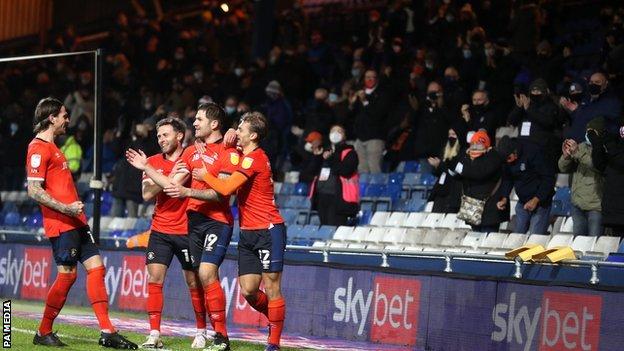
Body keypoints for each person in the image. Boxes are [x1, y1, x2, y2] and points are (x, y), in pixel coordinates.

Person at [26, 97, 137, 349]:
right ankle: (43, 331)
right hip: (61, 222)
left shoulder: (56, 147)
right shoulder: (38, 147)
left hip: (76, 221)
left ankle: (107, 332)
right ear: (51, 117)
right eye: (64, 115)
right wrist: (66, 208)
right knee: (67, 275)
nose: (68, 119)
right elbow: (34, 190)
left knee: (97, 269)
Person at [192, 112, 286, 351]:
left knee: (272, 286)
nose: (237, 131)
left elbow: (226, 188)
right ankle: (276, 319)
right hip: (247, 232)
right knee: (249, 291)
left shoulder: (254, 158)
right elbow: (230, 160)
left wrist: (205, 175)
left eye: (242, 129)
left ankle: (273, 342)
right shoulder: (245, 156)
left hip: (268, 229)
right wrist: (226, 145)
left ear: (253, 135)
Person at [125, 117, 209, 349]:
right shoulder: (152, 160)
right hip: (160, 229)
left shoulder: (189, 156)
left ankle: (201, 331)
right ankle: (154, 334)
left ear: (179, 135)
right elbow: (146, 194)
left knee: (193, 282)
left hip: (186, 229)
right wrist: (167, 177)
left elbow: (172, 190)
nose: (161, 139)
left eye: (166, 135)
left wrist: (152, 173)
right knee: (154, 280)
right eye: (159, 135)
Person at [163, 103, 240, 351]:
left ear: (214, 124)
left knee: (207, 273)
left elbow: (222, 194)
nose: (194, 123)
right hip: (194, 221)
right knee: (198, 278)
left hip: (217, 220)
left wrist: (185, 190)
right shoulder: (191, 152)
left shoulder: (229, 150)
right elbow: (172, 182)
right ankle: (205, 333)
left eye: (198, 119)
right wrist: (149, 171)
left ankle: (222, 337)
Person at [499, 136, 555, 235]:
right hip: (522, 201)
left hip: (541, 202)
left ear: (515, 152)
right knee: (517, 236)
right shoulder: (505, 158)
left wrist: (536, 199)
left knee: (535, 236)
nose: (508, 161)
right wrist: (504, 197)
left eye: (509, 158)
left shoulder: (533, 151)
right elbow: (507, 178)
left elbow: (548, 178)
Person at [558, 117, 605, 236]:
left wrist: (577, 153)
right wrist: (566, 157)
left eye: (591, 132)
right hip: (577, 204)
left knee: (593, 242)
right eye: (587, 131)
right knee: (578, 242)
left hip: (595, 206)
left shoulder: (604, 149)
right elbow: (563, 168)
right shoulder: (582, 146)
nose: (588, 135)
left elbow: (596, 165)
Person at [454, 131, 507, 233]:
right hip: (474, 209)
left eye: (479, 144)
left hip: (490, 210)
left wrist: (460, 167)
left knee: (488, 238)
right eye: (473, 144)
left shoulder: (493, 157)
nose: (475, 147)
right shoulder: (468, 157)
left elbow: (479, 173)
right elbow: (458, 176)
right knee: (474, 239)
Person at [310, 125, 360, 226]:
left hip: (338, 199)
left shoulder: (350, 153)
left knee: (334, 229)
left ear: (344, 136)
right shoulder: (326, 151)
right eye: (333, 131)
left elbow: (345, 170)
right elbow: (312, 171)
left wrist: (330, 159)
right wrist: (317, 157)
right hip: (322, 197)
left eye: (339, 131)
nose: (335, 134)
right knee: (324, 229)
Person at [351, 69, 390, 174]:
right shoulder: (359, 93)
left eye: (372, 77)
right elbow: (353, 115)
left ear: (377, 79)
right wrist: (352, 104)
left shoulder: (382, 94)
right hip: (360, 137)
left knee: (374, 167)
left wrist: (365, 101)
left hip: (375, 137)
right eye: (367, 77)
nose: (369, 79)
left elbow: (378, 115)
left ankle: (376, 190)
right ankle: (364, 190)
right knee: (361, 169)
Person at [589, 120, 624, 236]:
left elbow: (620, 161)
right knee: (615, 249)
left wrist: (607, 141)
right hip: (614, 210)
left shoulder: (614, 149)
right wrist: (597, 143)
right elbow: (600, 165)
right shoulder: (614, 149)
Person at [427, 123, 468, 213]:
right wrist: (436, 167)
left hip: (453, 193)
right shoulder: (445, 150)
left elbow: (455, 171)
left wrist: (440, 165)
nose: (451, 137)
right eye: (449, 134)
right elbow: (439, 173)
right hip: (441, 191)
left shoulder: (463, 152)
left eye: (453, 134)